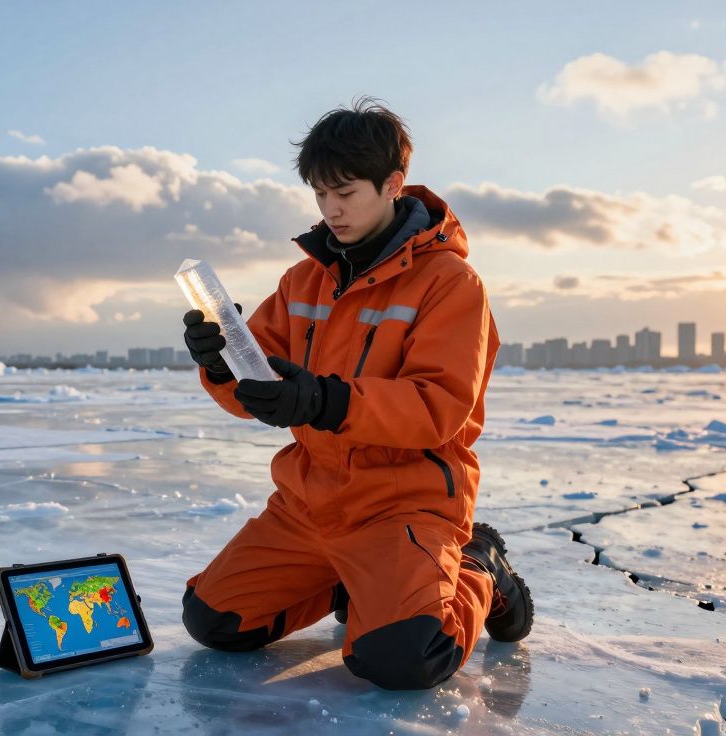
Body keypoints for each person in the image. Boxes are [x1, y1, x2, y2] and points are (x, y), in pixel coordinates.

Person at [180, 98, 533, 690]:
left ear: (392, 184)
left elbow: (438, 408)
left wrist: (324, 401)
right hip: (309, 503)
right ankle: (357, 583)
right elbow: (259, 388)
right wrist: (220, 362)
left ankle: (479, 568)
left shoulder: (450, 284)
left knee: (402, 658)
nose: (330, 209)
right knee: (215, 621)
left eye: (345, 192)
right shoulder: (303, 279)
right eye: (320, 194)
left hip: (403, 503)